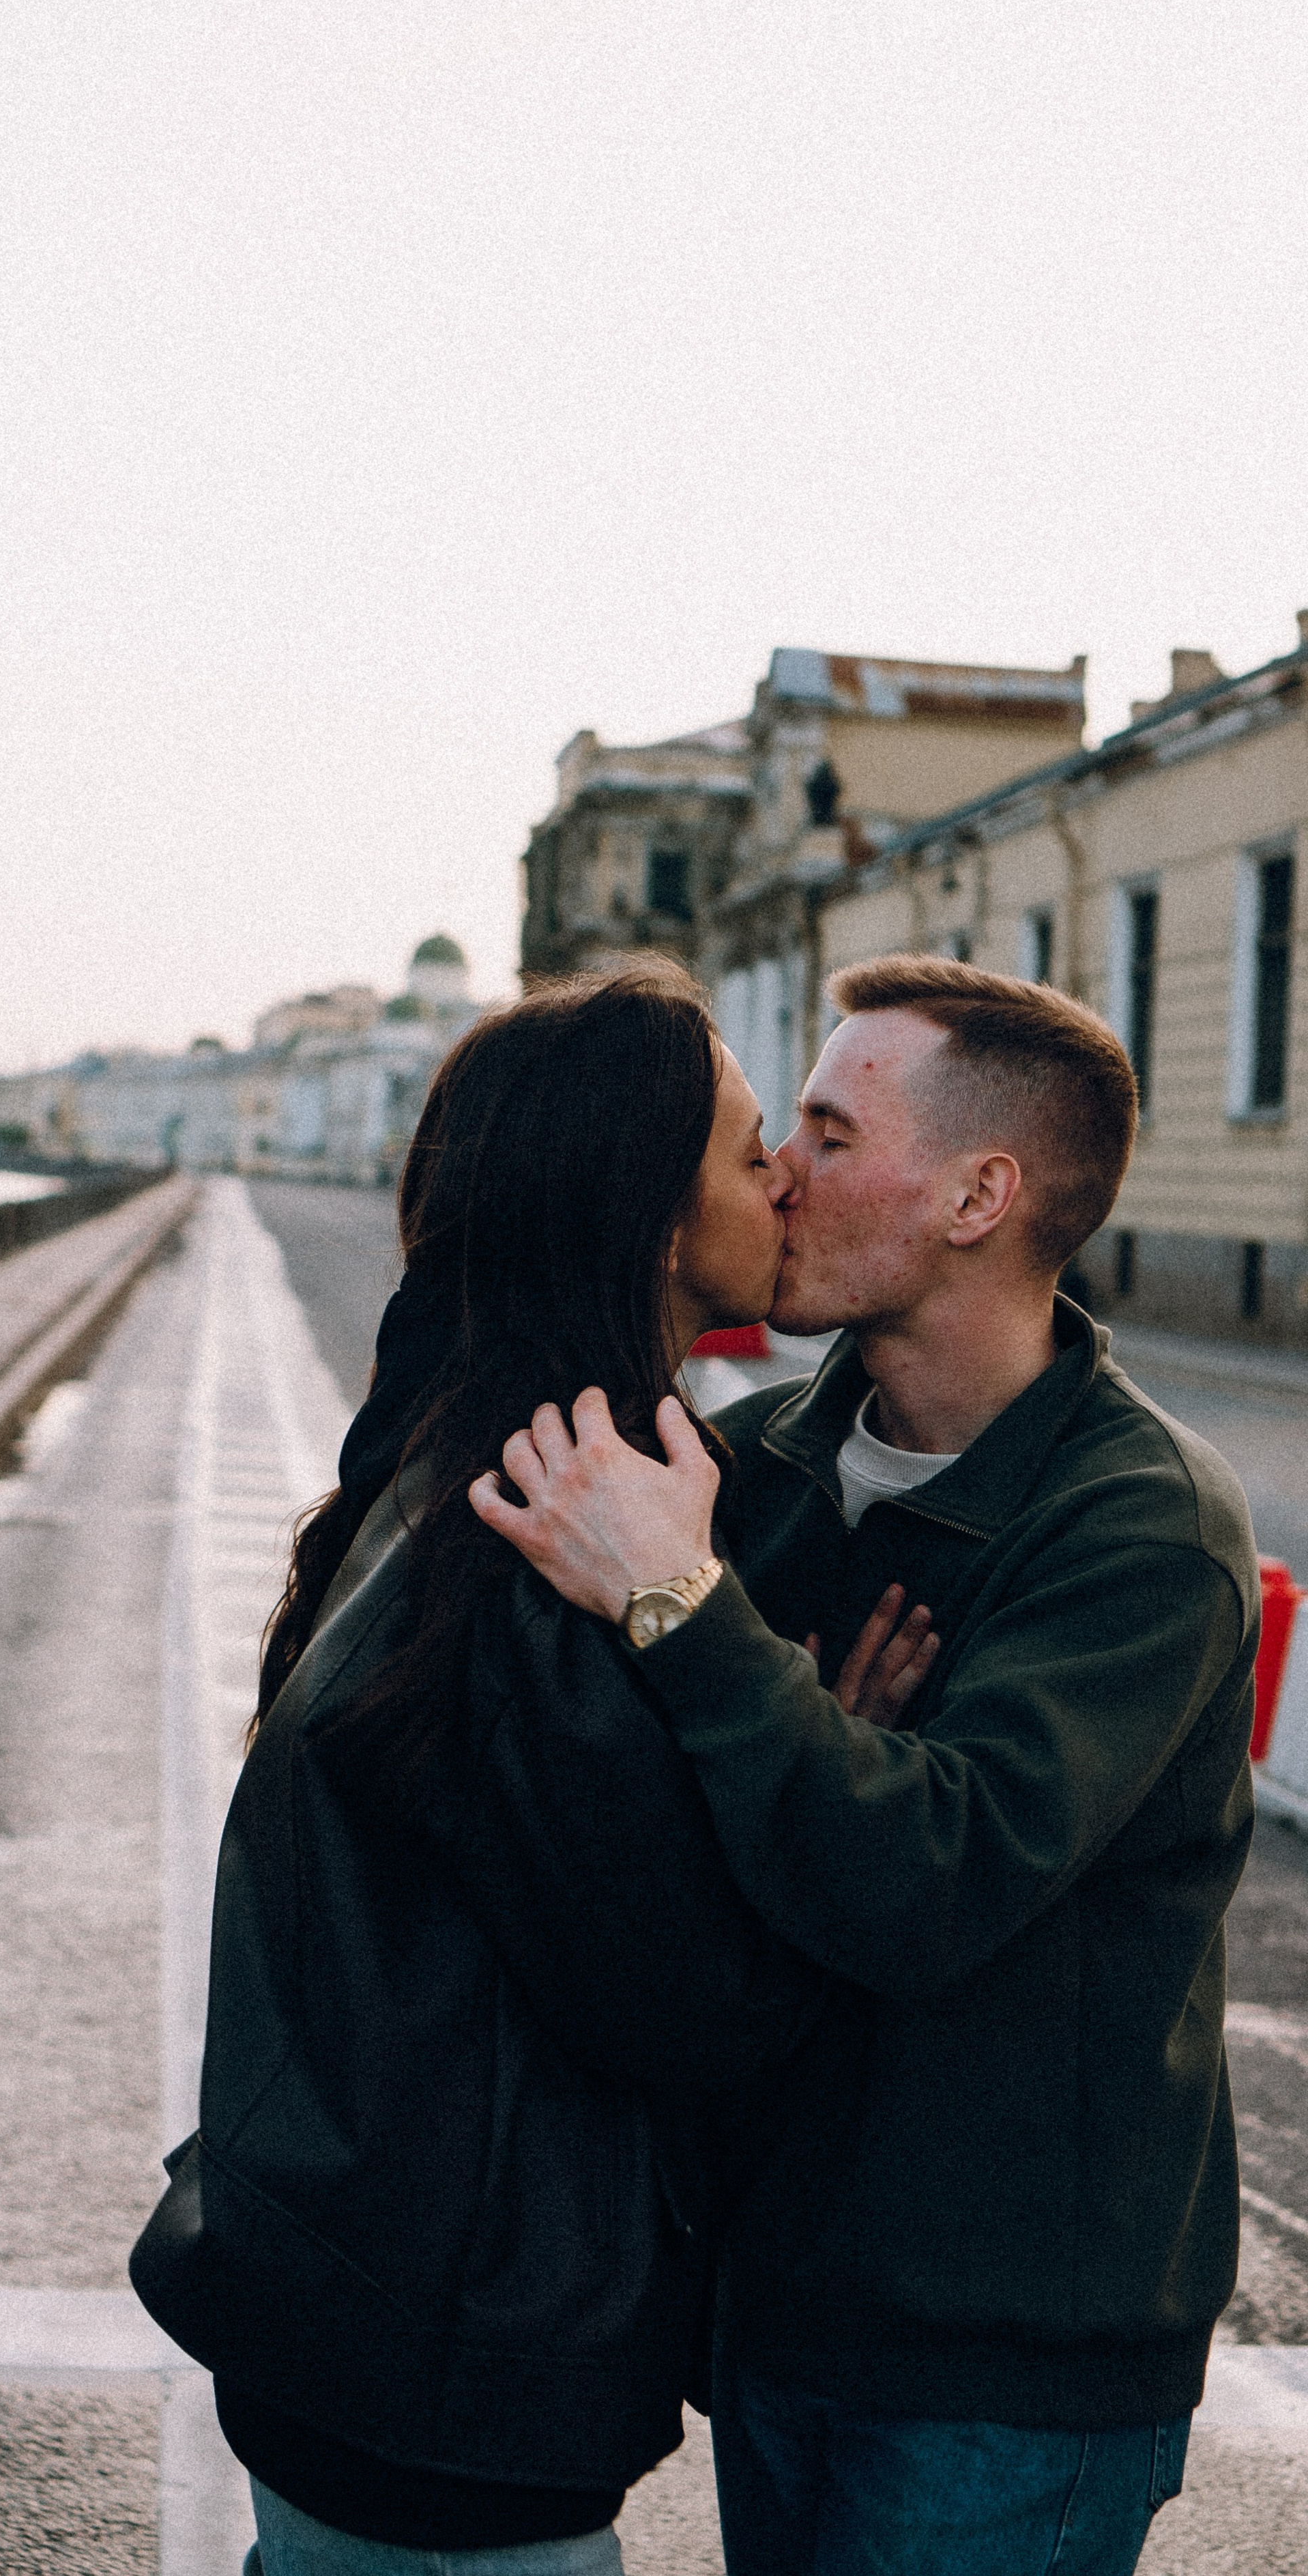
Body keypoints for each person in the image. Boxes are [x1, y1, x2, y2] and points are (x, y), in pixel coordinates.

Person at [131, 964, 931, 2576]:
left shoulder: (463, 1455)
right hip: (449, 2370)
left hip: (359, 2316)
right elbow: (690, 2000)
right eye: (744, 1146)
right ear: (648, 1220)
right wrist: (827, 1743)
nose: (777, 1176)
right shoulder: (560, 1532)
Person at [471, 954, 1260, 2576]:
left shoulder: (1136, 1524)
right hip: (779, 2309)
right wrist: (819, 1735)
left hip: (1007, 2362)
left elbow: (924, 1881)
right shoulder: (749, 1469)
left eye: (829, 1133)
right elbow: (685, 1849)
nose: (777, 1171)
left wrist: (686, 1617)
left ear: (979, 1194)